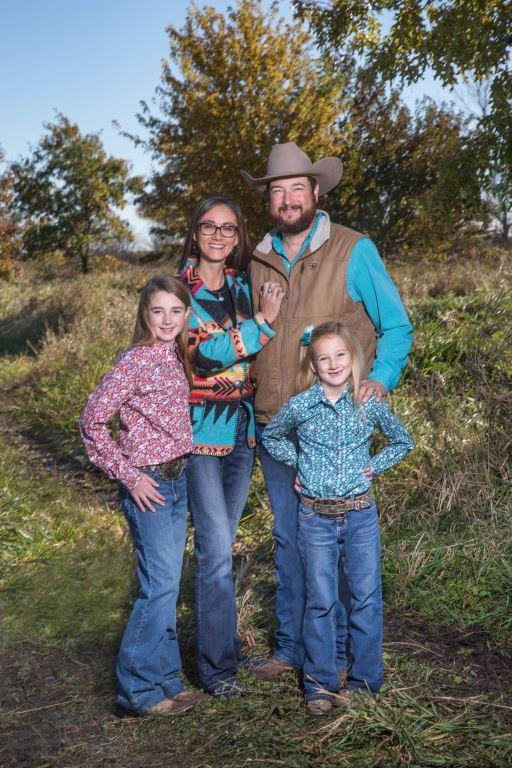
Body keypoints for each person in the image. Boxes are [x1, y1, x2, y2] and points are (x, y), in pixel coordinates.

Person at [240, 141, 414, 680]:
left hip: (335, 427)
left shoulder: (353, 250)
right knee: (290, 539)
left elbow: (397, 326)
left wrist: (380, 380)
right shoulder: (258, 258)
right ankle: (293, 648)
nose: (288, 199)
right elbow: (251, 337)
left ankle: (338, 656)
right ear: (269, 199)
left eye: (298, 187)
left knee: (338, 544)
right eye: (278, 190)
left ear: (315, 192)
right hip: (275, 425)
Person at [262, 321, 413, 715]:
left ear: (352, 358)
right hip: (315, 517)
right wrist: (301, 463)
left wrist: (374, 466)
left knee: (365, 598)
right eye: (324, 358)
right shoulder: (300, 406)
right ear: (313, 365)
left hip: (360, 514)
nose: (333, 364)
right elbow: (271, 437)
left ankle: (363, 682)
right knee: (321, 601)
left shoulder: (367, 402)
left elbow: (402, 441)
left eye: (340, 355)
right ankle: (320, 684)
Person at [79, 275, 207, 716]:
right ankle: (137, 689)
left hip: (178, 478)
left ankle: (166, 678)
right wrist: (129, 477)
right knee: (158, 586)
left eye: (176, 311)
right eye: (158, 311)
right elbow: (92, 420)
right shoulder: (133, 360)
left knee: (169, 585)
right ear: (144, 314)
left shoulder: (175, 354)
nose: (167, 320)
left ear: (186, 314)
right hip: (148, 484)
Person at [177, 195, 284, 697]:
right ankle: (216, 668)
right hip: (200, 434)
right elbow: (201, 355)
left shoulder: (243, 287)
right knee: (216, 550)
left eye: (228, 228)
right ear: (195, 233)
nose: (218, 236)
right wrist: (261, 324)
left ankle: (225, 643)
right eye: (209, 226)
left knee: (224, 547)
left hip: (242, 433)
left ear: (238, 236)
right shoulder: (179, 290)